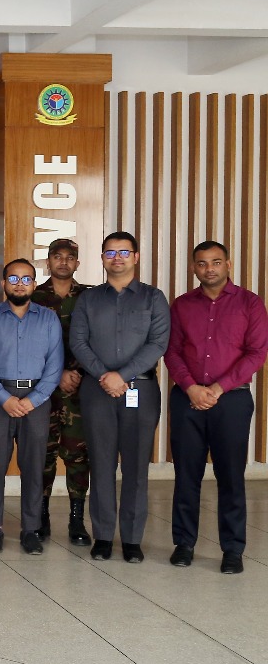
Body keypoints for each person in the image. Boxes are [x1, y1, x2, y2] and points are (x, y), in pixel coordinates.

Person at [164, 240, 268, 574]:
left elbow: (257, 352)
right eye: (202, 263)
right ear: (193, 267)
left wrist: (218, 388)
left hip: (232, 400)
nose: (209, 269)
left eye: (216, 262)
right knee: (186, 474)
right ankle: (184, 544)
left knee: (231, 476)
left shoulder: (250, 303)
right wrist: (191, 387)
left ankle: (233, 549)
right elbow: (172, 351)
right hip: (187, 399)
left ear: (228, 264)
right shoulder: (182, 305)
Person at [70, 232, 169, 563]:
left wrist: (122, 375)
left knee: (136, 467)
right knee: (100, 464)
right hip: (97, 390)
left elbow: (158, 343)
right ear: (102, 258)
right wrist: (105, 375)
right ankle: (102, 536)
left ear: (136, 257)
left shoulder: (153, 298)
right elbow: (78, 342)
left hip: (140, 390)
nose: (117, 258)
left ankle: (132, 539)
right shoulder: (88, 299)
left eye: (124, 252)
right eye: (110, 252)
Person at [0, 259, 63, 555]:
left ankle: (30, 530)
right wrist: (4, 398)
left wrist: (33, 399)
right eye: (14, 278)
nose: (20, 284)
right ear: (4, 283)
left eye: (26, 279)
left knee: (34, 466)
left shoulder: (48, 319)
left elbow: (55, 364)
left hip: (37, 399)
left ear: (34, 284)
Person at [31, 238, 91, 545]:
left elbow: (98, 341)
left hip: (80, 390)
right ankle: (40, 516)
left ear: (77, 263)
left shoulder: (90, 297)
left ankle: (76, 520)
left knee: (78, 455)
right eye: (57, 256)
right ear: (48, 262)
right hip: (43, 391)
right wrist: (56, 376)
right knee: (43, 454)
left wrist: (78, 372)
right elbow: (26, 344)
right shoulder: (34, 296)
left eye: (70, 257)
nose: (64, 262)